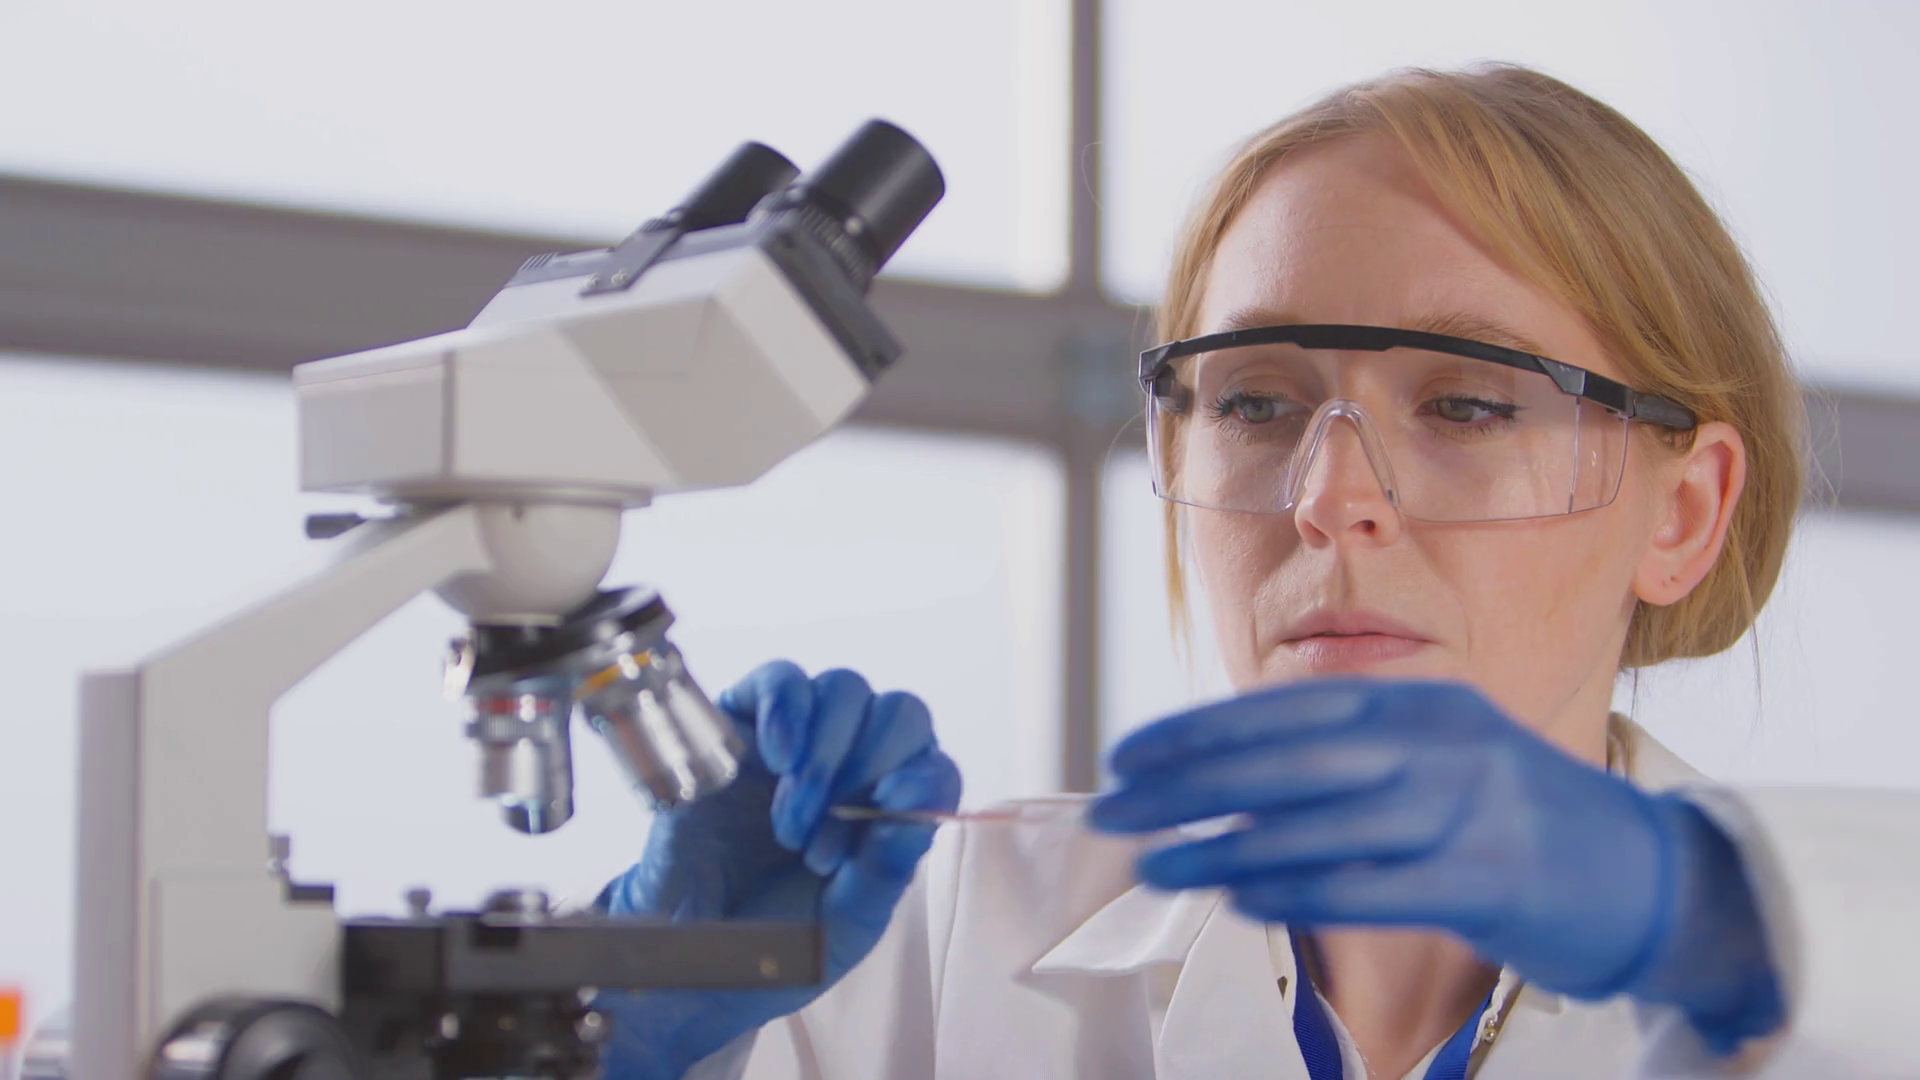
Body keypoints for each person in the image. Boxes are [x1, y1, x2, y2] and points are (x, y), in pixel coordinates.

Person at [592, 64, 1916, 1078]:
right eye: (1255, 405)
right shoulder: (941, 946)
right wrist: (614, 1021)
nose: (1328, 499)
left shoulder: (1840, 974)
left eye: (1467, 408)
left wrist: (1702, 916)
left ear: (1683, 511)